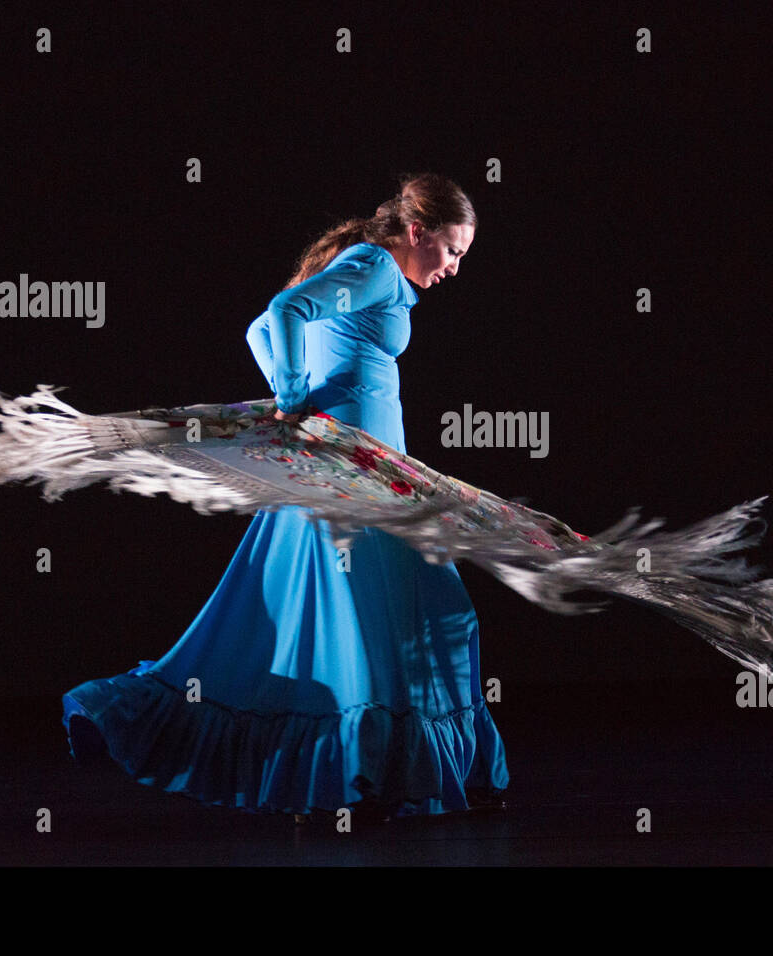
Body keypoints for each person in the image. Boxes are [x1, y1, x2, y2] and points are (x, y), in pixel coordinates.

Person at [62, 172, 510, 821]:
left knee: (376, 625)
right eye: (452, 250)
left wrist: (292, 397)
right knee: (383, 625)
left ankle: (376, 779)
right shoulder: (377, 268)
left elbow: (259, 330)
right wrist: (296, 398)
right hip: (350, 476)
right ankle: (359, 781)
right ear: (417, 232)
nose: (455, 268)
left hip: (362, 468)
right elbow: (280, 316)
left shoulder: (371, 267)